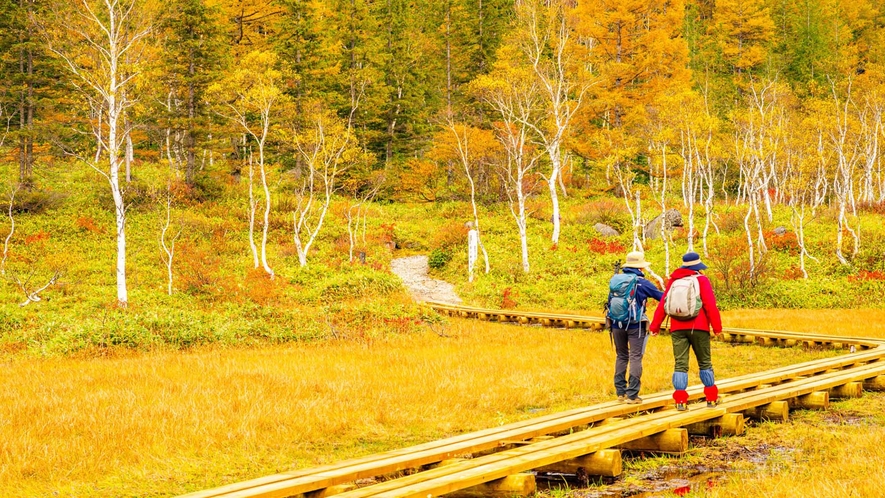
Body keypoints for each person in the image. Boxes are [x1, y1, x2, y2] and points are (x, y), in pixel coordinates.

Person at [649, 251, 723, 411]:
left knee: (680, 364)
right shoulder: (702, 280)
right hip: (699, 327)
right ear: (698, 266)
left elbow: (663, 304)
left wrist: (654, 326)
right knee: (705, 362)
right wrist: (717, 328)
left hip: (677, 328)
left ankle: (681, 401)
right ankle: (711, 398)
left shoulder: (673, 280)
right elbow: (710, 305)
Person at [607, 251, 663, 405]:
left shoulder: (616, 280)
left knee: (621, 355)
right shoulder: (642, 282)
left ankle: (620, 392)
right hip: (635, 324)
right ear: (640, 268)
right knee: (635, 356)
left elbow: (610, 301)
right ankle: (632, 395)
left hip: (616, 323)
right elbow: (662, 298)